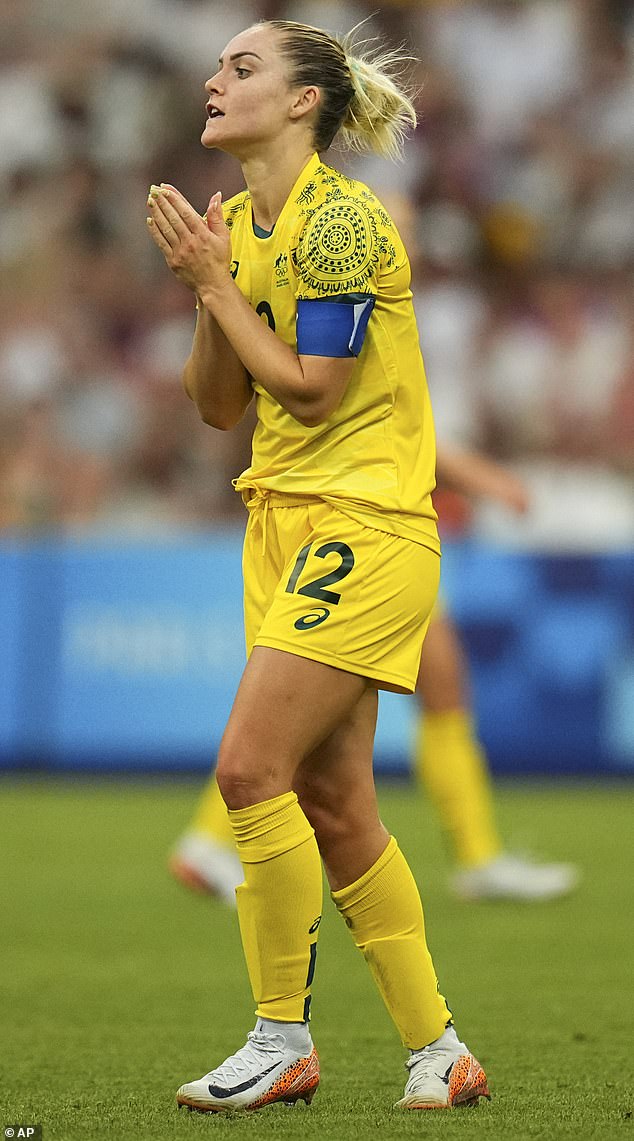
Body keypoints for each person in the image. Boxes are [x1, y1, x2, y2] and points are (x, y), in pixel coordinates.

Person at [146, 18, 490, 1114]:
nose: (214, 78)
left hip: (367, 521)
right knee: (336, 803)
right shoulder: (241, 225)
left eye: (242, 67)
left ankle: (280, 1035)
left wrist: (217, 287)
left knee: (248, 770)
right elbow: (215, 406)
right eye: (217, 65)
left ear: (303, 102)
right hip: (285, 521)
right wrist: (209, 280)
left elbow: (311, 389)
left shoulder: (341, 222)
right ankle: (438, 1050)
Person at [171, 443, 578, 904]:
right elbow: (397, 426)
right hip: (361, 531)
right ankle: (209, 839)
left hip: (371, 524)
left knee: (439, 687)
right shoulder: (349, 373)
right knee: (312, 706)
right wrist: (484, 478)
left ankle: (478, 855)